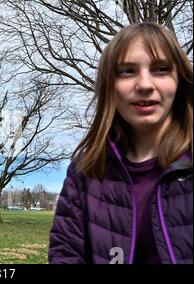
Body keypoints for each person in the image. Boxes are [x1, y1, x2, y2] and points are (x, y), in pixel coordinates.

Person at [48, 22, 192, 264]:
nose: (145, 84)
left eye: (161, 69)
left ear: (179, 81)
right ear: (110, 87)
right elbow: (65, 254)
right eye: (127, 71)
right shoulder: (85, 172)